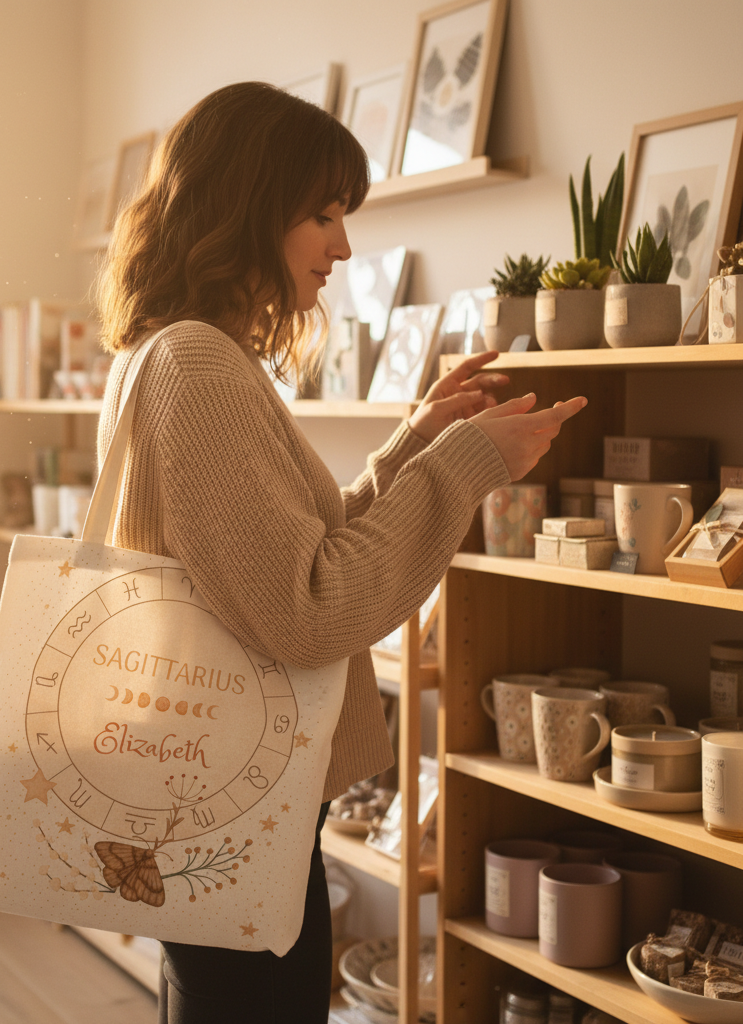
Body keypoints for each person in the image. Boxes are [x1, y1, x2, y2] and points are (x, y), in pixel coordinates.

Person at [94, 81, 586, 1024]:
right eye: (322, 214)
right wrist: (467, 466)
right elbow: (311, 608)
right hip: (232, 815)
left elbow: (284, 556)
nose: (344, 245)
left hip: (212, 802)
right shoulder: (198, 366)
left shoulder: (177, 353)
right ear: (247, 207)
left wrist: (415, 444)